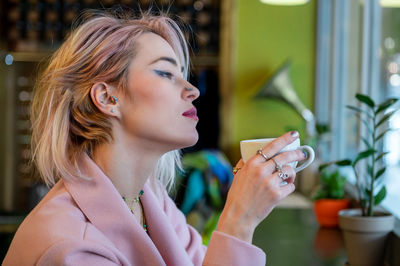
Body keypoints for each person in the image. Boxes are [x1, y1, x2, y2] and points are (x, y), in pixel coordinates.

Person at [3, 10, 306, 266]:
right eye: (164, 73)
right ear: (108, 98)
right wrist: (240, 218)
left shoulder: (149, 198)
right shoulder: (71, 248)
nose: (193, 90)